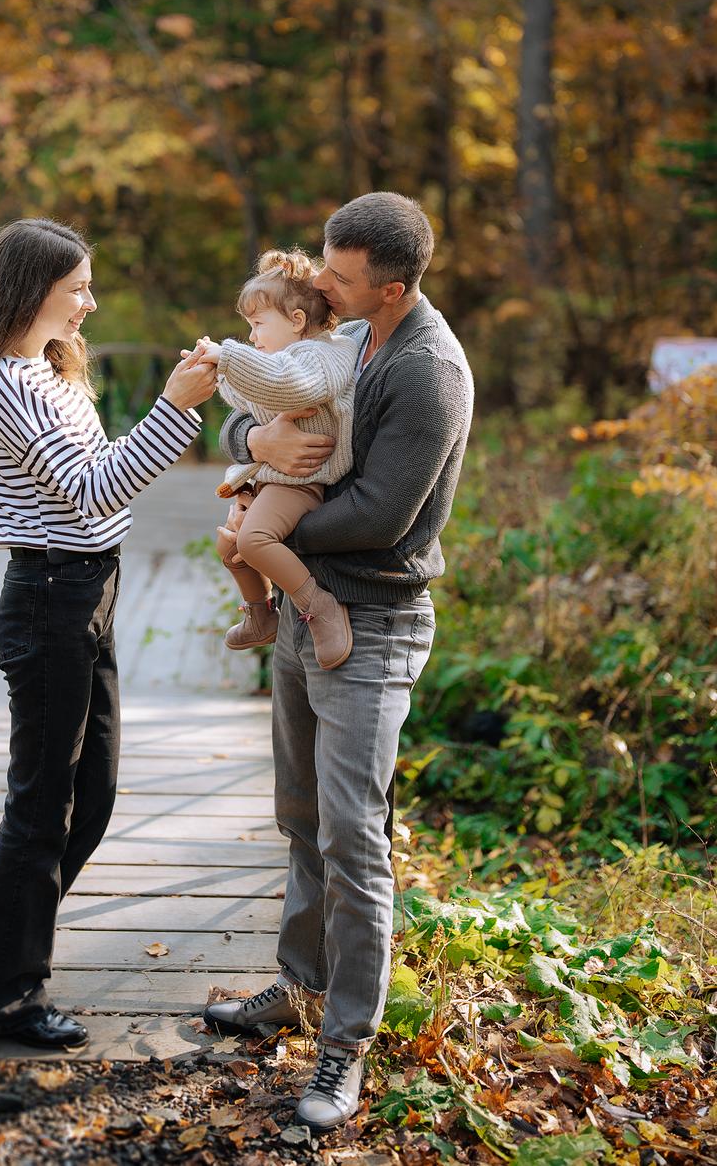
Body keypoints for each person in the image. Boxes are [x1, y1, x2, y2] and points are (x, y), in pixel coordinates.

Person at [202, 192, 474, 1134]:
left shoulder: (427, 371)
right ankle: (298, 983)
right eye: (322, 261)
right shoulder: (346, 332)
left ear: (391, 287)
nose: (319, 282)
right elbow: (258, 411)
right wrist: (253, 450)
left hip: (373, 615)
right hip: (301, 606)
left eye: (342, 274)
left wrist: (260, 519)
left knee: (353, 837)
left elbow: (379, 515)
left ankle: (346, 1044)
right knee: (301, 814)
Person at [0, 218, 217, 1050]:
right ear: (34, 290)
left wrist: (161, 421)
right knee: (44, 804)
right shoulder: (9, 384)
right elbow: (95, 490)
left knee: (93, 795)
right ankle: (6, 996)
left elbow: (102, 491)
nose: (91, 301)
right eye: (78, 287)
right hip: (50, 598)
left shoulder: (48, 372)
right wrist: (174, 406)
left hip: (88, 588)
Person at [193, 249, 358, 669]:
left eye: (257, 324)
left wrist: (228, 357)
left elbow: (291, 389)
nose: (251, 336)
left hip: (304, 481)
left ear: (298, 321)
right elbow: (250, 402)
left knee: (253, 540)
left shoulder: (325, 355)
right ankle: (262, 615)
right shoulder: (282, 359)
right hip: (274, 477)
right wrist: (217, 372)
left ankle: (319, 605)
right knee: (230, 547)